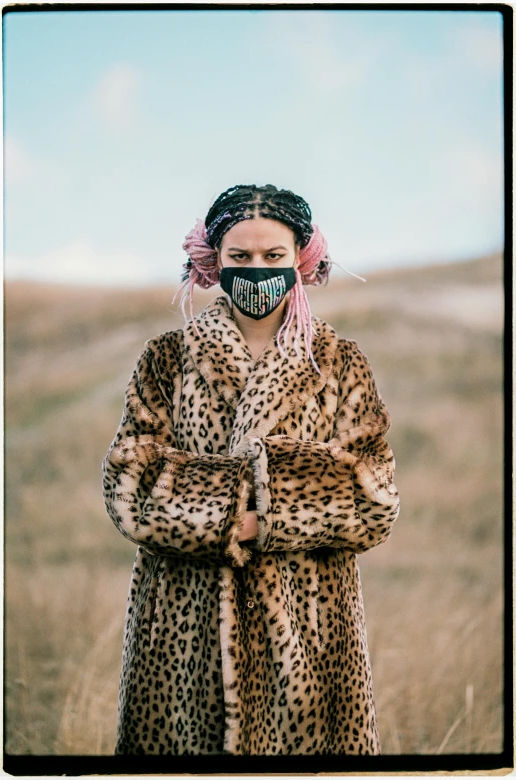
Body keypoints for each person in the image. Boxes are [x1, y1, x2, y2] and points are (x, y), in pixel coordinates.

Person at [102, 184, 400, 756]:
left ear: (300, 260)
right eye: (240, 257)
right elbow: (128, 482)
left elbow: (376, 496)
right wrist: (225, 518)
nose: (256, 270)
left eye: (272, 256)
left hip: (309, 635)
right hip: (183, 635)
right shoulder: (166, 359)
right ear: (215, 262)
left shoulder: (339, 361)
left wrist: (268, 519)